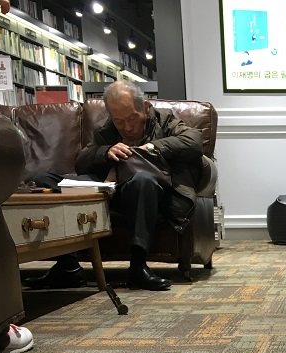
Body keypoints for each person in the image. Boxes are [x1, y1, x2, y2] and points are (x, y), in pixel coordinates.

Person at [25, 80, 205, 292]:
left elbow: (194, 141)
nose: (127, 128)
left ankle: (138, 267)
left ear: (145, 107)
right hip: (111, 189)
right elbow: (81, 163)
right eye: (119, 121)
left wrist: (152, 148)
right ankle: (68, 267)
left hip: (153, 192)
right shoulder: (106, 130)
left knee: (143, 180)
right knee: (45, 180)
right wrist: (105, 152)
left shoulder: (164, 120)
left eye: (132, 119)